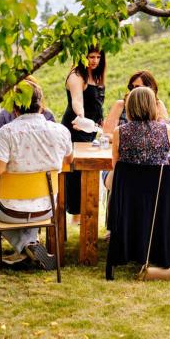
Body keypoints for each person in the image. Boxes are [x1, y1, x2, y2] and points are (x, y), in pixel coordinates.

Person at [0, 82, 72, 269]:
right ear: (41, 105)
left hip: (11, 210)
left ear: (15, 108)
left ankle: (25, 246)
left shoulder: (7, 132)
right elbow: (68, 159)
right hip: (46, 207)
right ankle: (30, 245)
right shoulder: (61, 131)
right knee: (32, 201)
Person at [105, 87, 170, 190]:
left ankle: (114, 205)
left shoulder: (119, 131)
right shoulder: (165, 130)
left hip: (129, 192)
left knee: (108, 175)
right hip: (158, 193)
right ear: (153, 107)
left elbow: (116, 165)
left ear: (129, 107)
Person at [61, 48, 106, 215]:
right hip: (75, 128)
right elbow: (77, 100)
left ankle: (84, 210)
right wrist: (81, 117)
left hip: (91, 129)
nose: (94, 60)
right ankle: (74, 211)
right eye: (91, 57)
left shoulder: (96, 75)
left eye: (98, 57)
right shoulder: (76, 75)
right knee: (75, 171)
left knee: (88, 170)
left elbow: (96, 104)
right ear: (82, 57)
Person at [102, 70, 169, 139]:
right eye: (131, 87)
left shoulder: (157, 105)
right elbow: (107, 134)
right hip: (121, 148)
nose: (133, 91)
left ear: (149, 88)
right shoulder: (121, 105)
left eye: (137, 87)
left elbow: (165, 133)